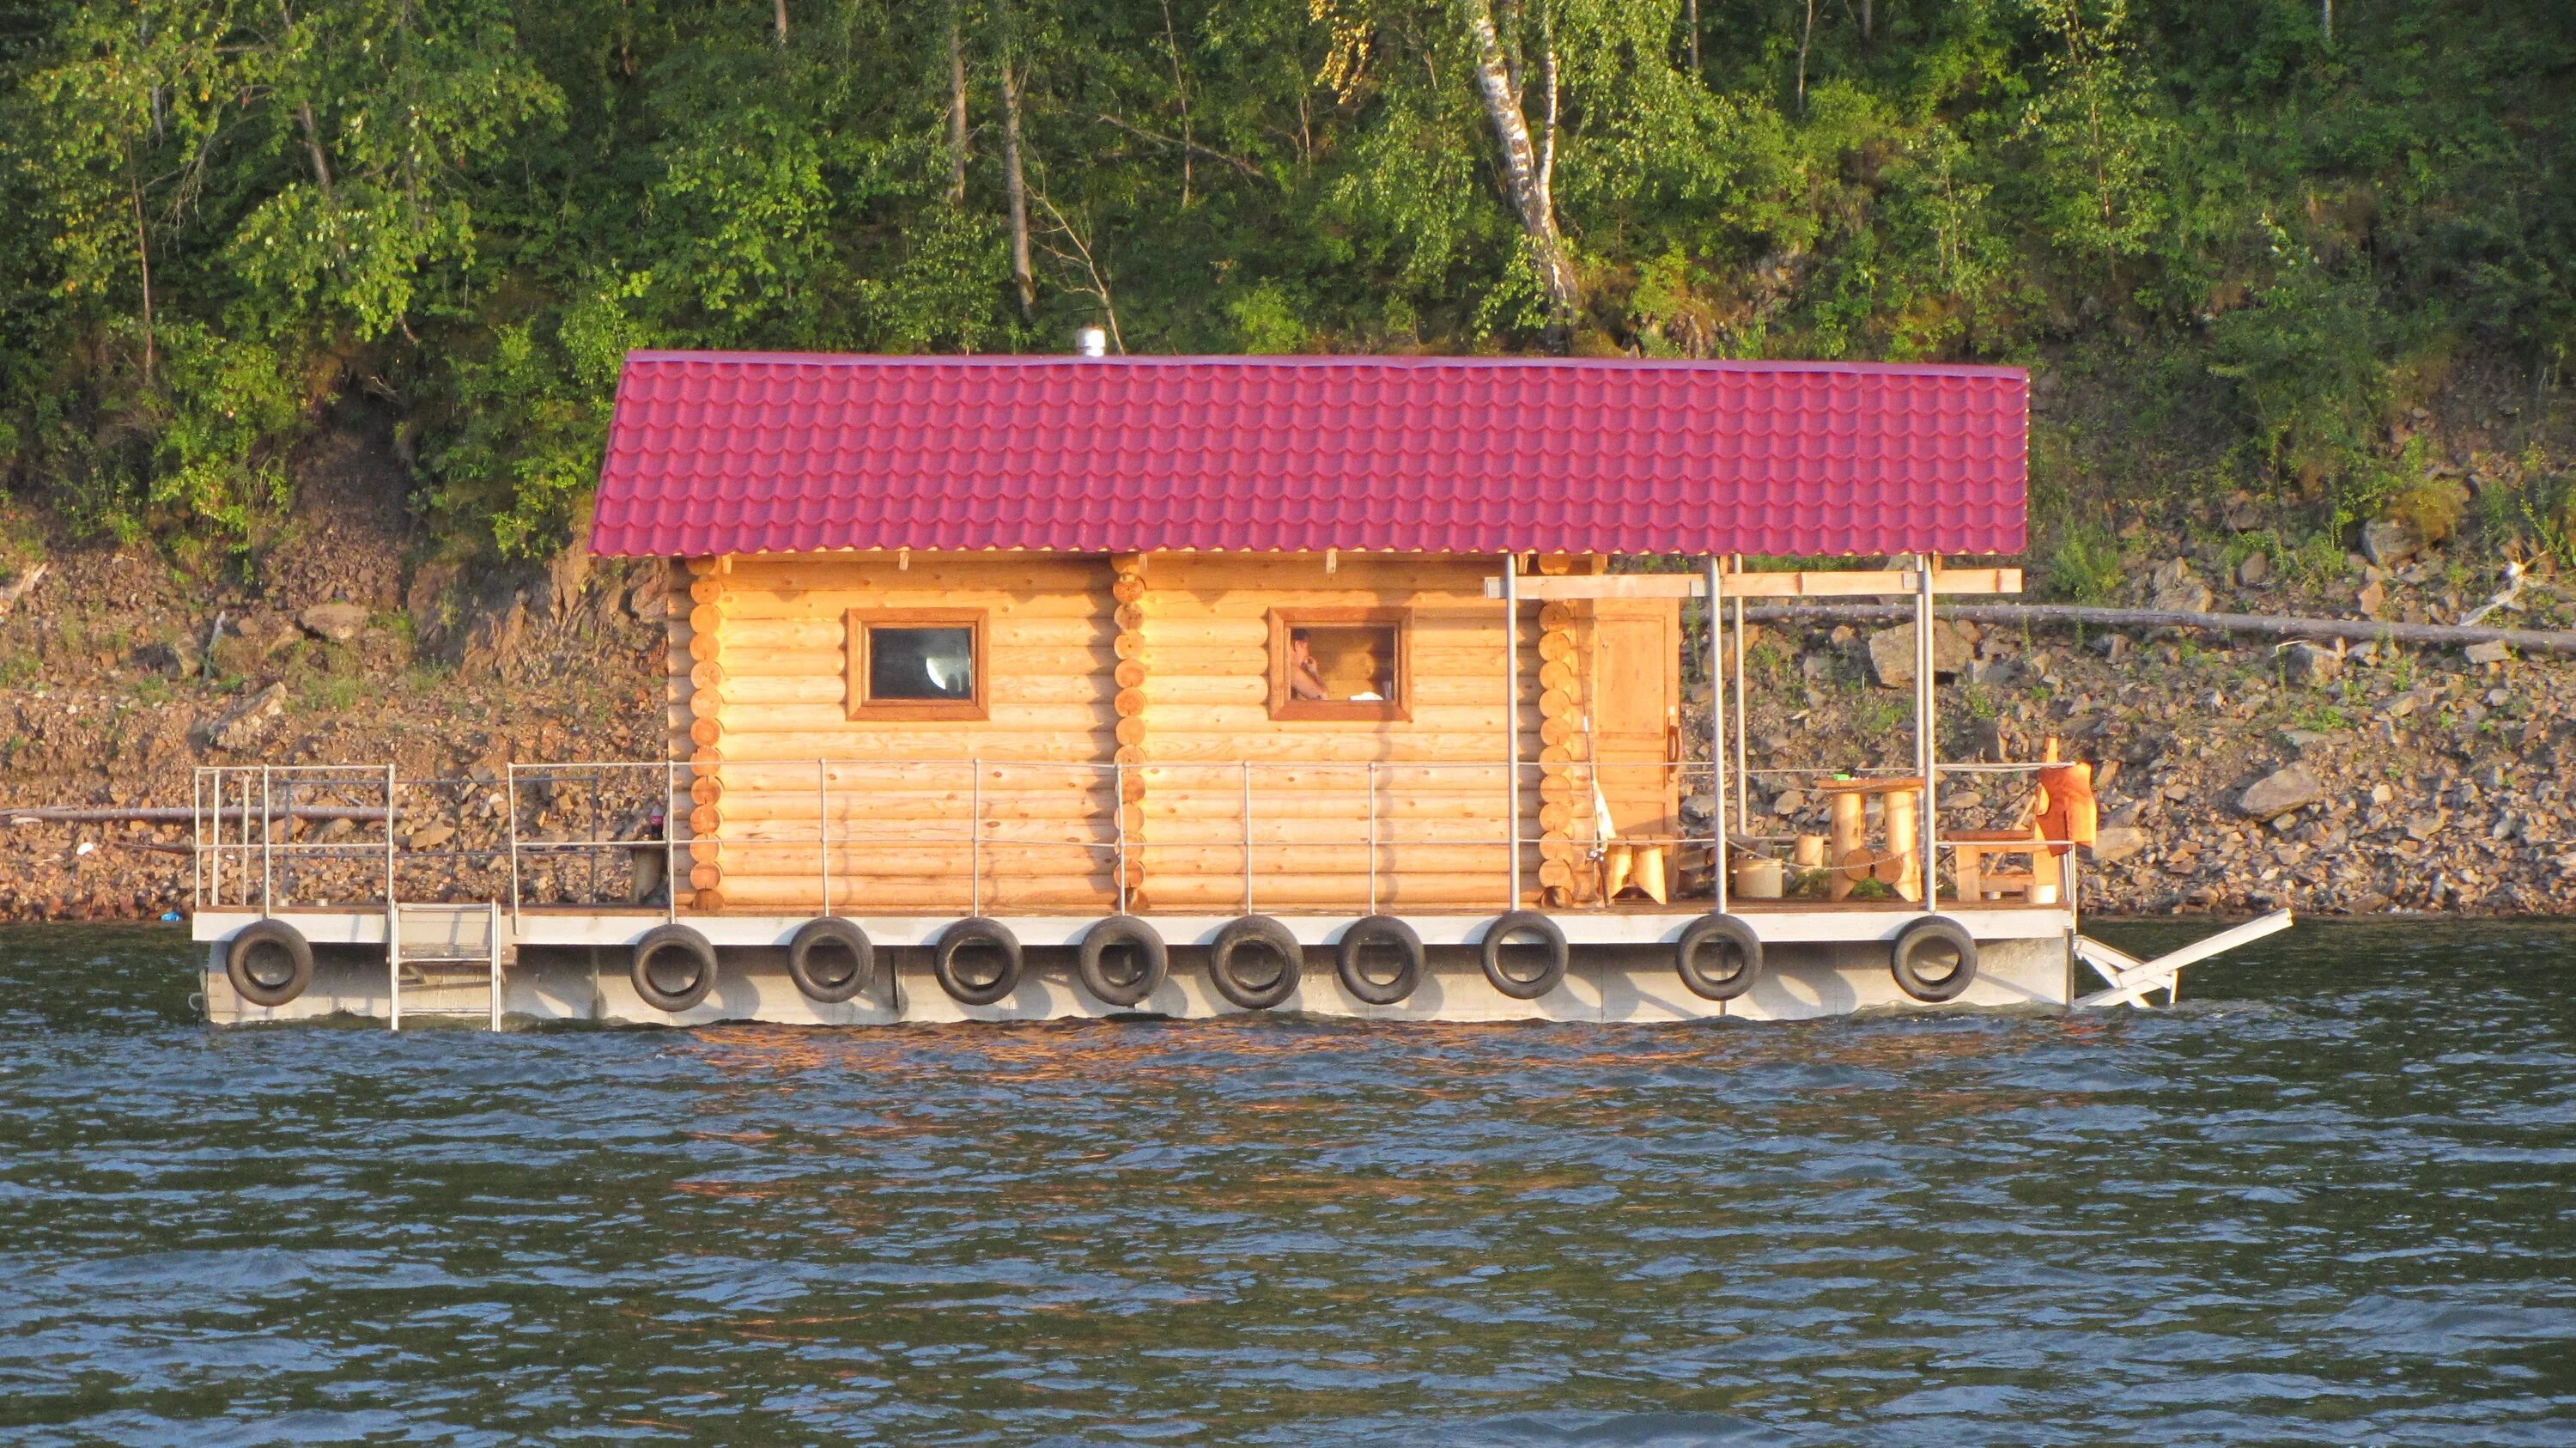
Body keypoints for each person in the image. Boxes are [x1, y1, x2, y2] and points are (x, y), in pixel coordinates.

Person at [1287, 629, 1329, 700]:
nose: (1308, 654)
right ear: (1297, 645)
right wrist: (1314, 673)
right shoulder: (1291, 670)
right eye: (1306, 647)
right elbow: (1323, 698)